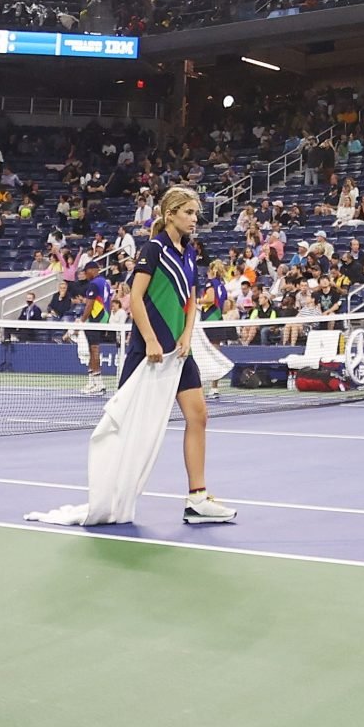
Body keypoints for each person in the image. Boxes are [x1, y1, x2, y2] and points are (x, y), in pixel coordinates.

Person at [122, 184, 235, 525]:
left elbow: (191, 300)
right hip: (148, 352)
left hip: (179, 352)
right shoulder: (153, 249)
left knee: (199, 416)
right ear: (169, 214)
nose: (193, 219)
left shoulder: (189, 251)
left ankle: (197, 498)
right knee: (131, 428)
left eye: (195, 213)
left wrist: (186, 336)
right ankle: (118, 494)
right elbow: (135, 298)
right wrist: (152, 340)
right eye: (188, 212)